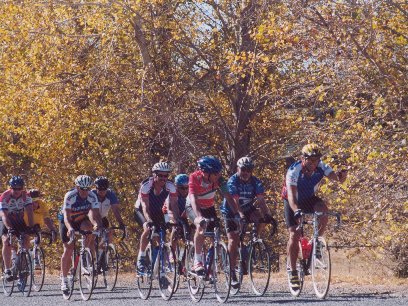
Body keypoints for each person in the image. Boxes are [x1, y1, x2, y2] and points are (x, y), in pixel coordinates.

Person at [282, 143, 347, 291]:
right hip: (292, 200)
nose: (313, 163)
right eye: (310, 160)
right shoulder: (294, 170)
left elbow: (336, 178)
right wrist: (297, 211)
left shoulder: (321, 166)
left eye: (316, 159)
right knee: (294, 233)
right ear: (302, 159)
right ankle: (292, 271)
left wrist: (342, 176)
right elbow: (291, 196)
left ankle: (316, 241)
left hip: (309, 197)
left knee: (323, 210)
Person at [220, 156, 274, 287]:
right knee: (233, 239)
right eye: (243, 169)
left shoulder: (256, 182)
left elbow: (261, 201)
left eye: (249, 170)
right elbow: (235, 202)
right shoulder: (232, 181)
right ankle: (231, 271)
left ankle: (255, 239)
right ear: (238, 169)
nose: (246, 172)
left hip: (248, 207)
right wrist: (240, 215)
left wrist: (268, 216)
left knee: (262, 217)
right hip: (231, 210)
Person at [185, 155, 233, 274]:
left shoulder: (219, 180)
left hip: (209, 207)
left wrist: (237, 213)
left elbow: (229, 197)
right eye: (215, 173)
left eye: (218, 173)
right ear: (205, 173)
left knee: (215, 236)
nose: (218, 176)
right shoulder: (194, 177)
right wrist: (199, 217)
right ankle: (197, 261)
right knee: (201, 226)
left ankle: (210, 264)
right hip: (192, 206)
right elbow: (194, 199)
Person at [59, 175, 103, 292]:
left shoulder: (92, 196)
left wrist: (96, 225)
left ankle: (84, 257)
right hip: (67, 221)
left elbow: (95, 215)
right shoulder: (70, 196)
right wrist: (70, 228)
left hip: (81, 219)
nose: (85, 192)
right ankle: (63, 279)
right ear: (77, 187)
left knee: (90, 230)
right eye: (83, 189)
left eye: (88, 189)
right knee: (69, 249)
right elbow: (66, 218)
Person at [134, 162, 178, 273]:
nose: (163, 178)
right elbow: (145, 206)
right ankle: (141, 257)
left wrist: (176, 220)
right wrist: (148, 221)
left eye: (166, 175)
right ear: (155, 175)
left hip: (157, 211)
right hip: (141, 210)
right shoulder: (146, 186)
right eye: (161, 175)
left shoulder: (170, 186)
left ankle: (158, 270)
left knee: (161, 238)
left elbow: (174, 205)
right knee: (148, 229)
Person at [0, 176, 35, 282]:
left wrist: (31, 227)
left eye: (19, 188)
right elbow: (4, 215)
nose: (17, 191)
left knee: (25, 239)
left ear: (23, 188)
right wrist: (9, 228)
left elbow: (29, 212)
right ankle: (7, 270)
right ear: (10, 188)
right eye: (14, 188)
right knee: (6, 241)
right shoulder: (4, 196)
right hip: (5, 220)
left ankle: (21, 263)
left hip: (19, 219)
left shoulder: (26, 196)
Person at [163, 174, 190, 258]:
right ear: (176, 187)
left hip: (182, 213)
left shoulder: (190, 193)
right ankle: (172, 252)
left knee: (191, 229)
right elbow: (170, 208)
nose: (185, 190)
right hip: (167, 212)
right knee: (176, 227)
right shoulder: (173, 193)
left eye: (187, 187)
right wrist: (174, 220)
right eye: (182, 188)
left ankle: (188, 251)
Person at [92, 176, 126, 242]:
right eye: (100, 189)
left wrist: (121, 223)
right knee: (92, 238)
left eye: (104, 189)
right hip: (92, 218)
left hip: (103, 218)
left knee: (109, 233)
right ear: (96, 188)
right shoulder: (92, 194)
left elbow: (115, 210)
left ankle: (104, 250)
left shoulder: (110, 194)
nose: (102, 191)